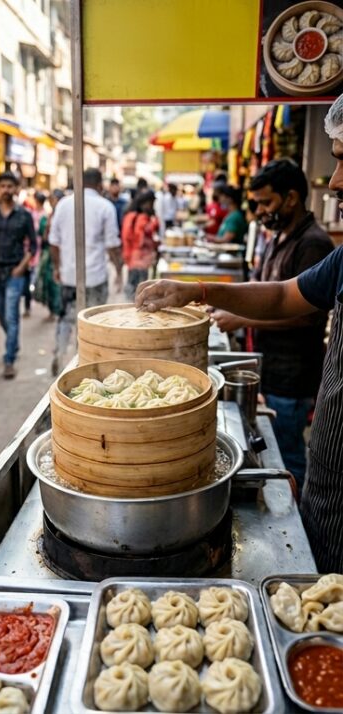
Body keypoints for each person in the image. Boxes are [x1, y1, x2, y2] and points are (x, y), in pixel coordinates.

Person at [134, 97, 343, 572]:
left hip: (298, 386)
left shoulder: (311, 241)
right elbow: (282, 297)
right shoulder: (340, 258)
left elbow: (300, 317)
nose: (334, 182)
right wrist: (198, 290)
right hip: (331, 472)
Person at [209, 160, 331, 487]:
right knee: (271, 446)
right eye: (257, 203)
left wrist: (239, 317)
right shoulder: (280, 236)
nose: (260, 211)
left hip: (292, 376)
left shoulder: (313, 244)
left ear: (291, 198)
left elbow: (307, 315)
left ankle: (295, 516)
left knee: (288, 457)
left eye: (266, 202)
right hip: (271, 368)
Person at [49, 168, 123, 375]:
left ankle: (60, 352)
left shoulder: (63, 204)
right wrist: (118, 270)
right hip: (95, 277)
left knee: (65, 316)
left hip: (69, 275)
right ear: (100, 185)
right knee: (93, 321)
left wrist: (57, 267)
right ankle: (86, 360)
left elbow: (53, 242)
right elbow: (112, 244)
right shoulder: (105, 206)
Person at [0, 171, 35, 380]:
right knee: (1, 313)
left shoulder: (24, 215)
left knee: (11, 315)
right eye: (2, 186)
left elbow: (33, 245)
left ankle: (9, 359)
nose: (6, 190)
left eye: (9, 186)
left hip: (15, 272)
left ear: (16, 189)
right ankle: (14, 341)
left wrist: (22, 267)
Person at [120, 190, 160, 300]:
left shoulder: (130, 215)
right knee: (140, 291)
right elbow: (142, 240)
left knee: (131, 288)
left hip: (131, 259)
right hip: (140, 260)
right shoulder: (142, 218)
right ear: (144, 203)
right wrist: (155, 222)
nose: (152, 207)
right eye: (151, 204)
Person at [35, 190, 65, 322]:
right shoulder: (46, 218)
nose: (54, 203)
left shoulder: (65, 218)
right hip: (48, 255)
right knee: (47, 282)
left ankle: (60, 310)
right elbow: (43, 238)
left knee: (57, 284)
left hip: (61, 255)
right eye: (52, 200)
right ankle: (52, 310)